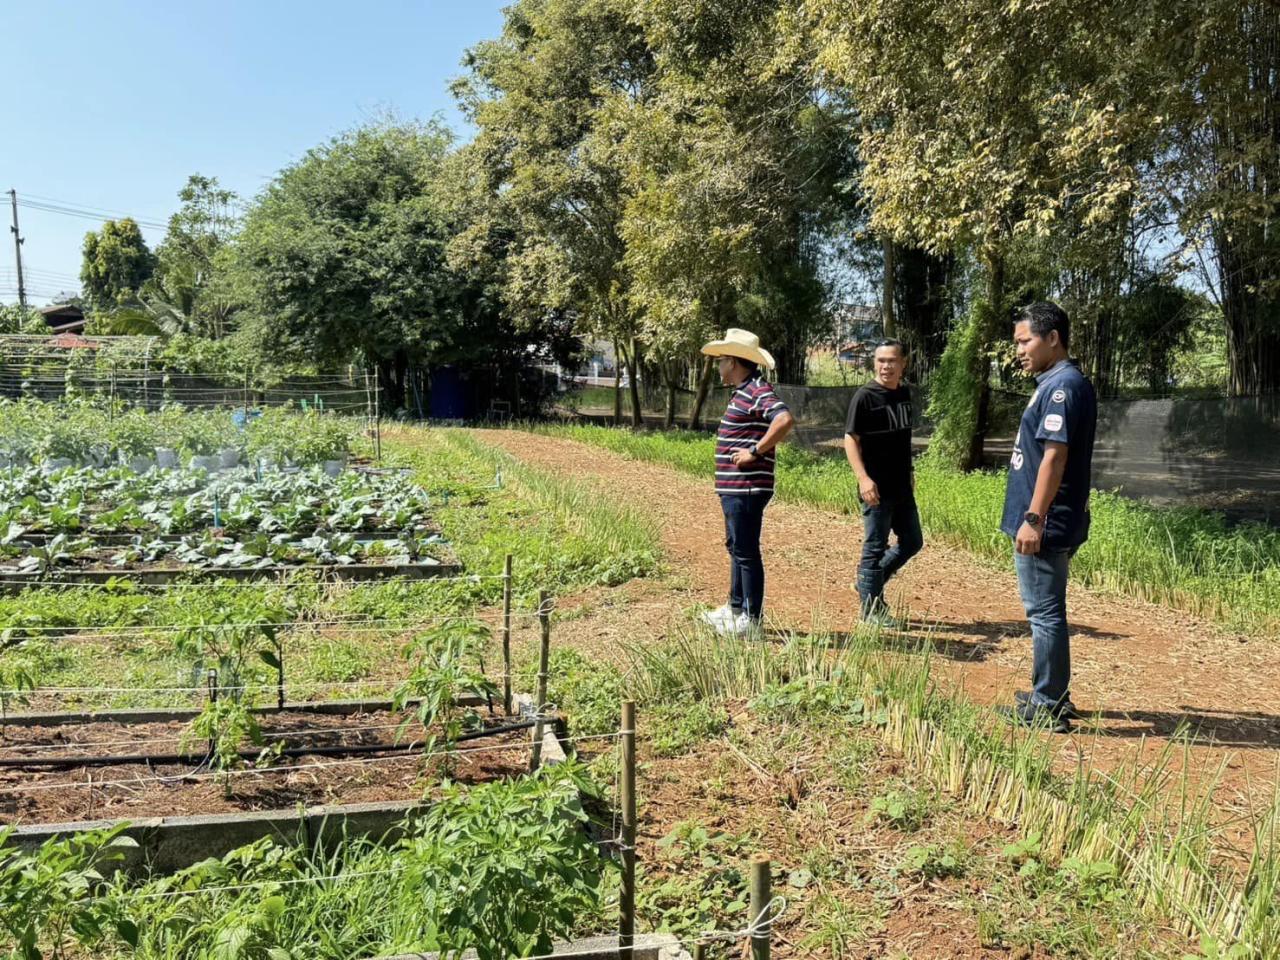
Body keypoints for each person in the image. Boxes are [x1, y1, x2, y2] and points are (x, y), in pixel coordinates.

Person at [998, 301, 1098, 734]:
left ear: (1052, 338)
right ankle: (1052, 692)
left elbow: (1054, 458)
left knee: (1045, 612)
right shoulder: (1056, 382)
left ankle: (1049, 705)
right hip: (1053, 516)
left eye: (1025, 341)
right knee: (1046, 609)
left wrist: (1034, 518)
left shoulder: (1062, 386)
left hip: (1046, 521)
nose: (1019, 350)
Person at [698, 328, 795, 636]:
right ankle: (736, 608)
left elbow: (784, 420)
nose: (718, 367)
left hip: (747, 487)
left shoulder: (757, 389)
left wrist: (754, 451)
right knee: (737, 547)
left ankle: (751, 620)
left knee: (746, 550)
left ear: (735, 362)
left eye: (722, 361)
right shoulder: (743, 391)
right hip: (735, 487)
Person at [844, 339, 923, 623]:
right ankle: (872, 610)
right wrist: (863, 479)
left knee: (912, 541)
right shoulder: (865, 396)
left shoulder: (903, 393)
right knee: (875, 547)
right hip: (875, 488)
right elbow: (850, 439)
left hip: (901, 485)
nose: (885, 366)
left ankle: (867, 585)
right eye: (880, 360)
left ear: (903, 363)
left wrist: (910, 471)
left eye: (891, 360)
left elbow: (902, 439)